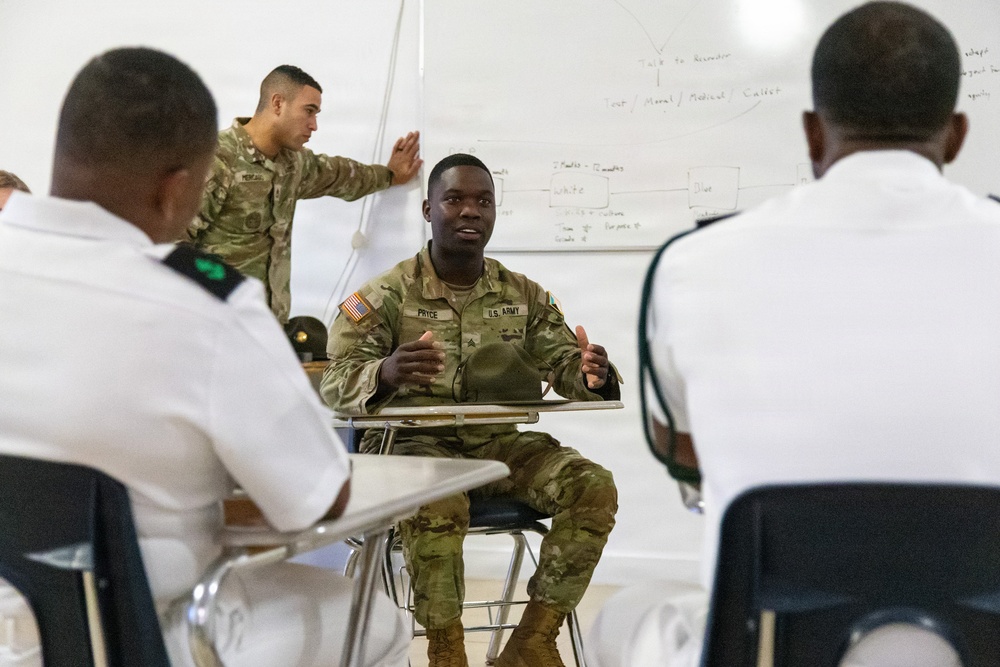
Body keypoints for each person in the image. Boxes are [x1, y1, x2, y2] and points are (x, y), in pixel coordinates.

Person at [589, 2, 1000, 665]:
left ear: (812, 133)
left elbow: (682, 447)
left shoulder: (692, 264)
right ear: (955, 136)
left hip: (768, 649)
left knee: (624, 614)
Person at [0, 47, 408, 667]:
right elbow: (316, 500)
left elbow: (333, 174)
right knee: (374, 616)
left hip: (13, 628)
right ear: (178, 188)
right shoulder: (205, 310)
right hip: (137, 635)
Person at [322, 153, 620, 667]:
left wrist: (591, 374)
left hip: (499, 443)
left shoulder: (522, 294)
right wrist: (386, 372)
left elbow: (564, 364)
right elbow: (331, 382)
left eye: (483, 201)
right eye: (455, 199)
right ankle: (446, 651)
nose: (469, 212)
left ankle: (532, 643)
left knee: (592, 485)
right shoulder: (386, 295)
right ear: (428, 209)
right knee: (437, 505)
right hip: (414, 446)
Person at [186, 64, 423, 323]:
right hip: (215, 322)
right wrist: (224, 292)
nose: (314, 125)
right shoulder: (217, 159)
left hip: (268, 325)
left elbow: (340, 174)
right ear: (278, 103)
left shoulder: (292, 164)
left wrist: (389, 175)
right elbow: (172, 245)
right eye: (309, 111)